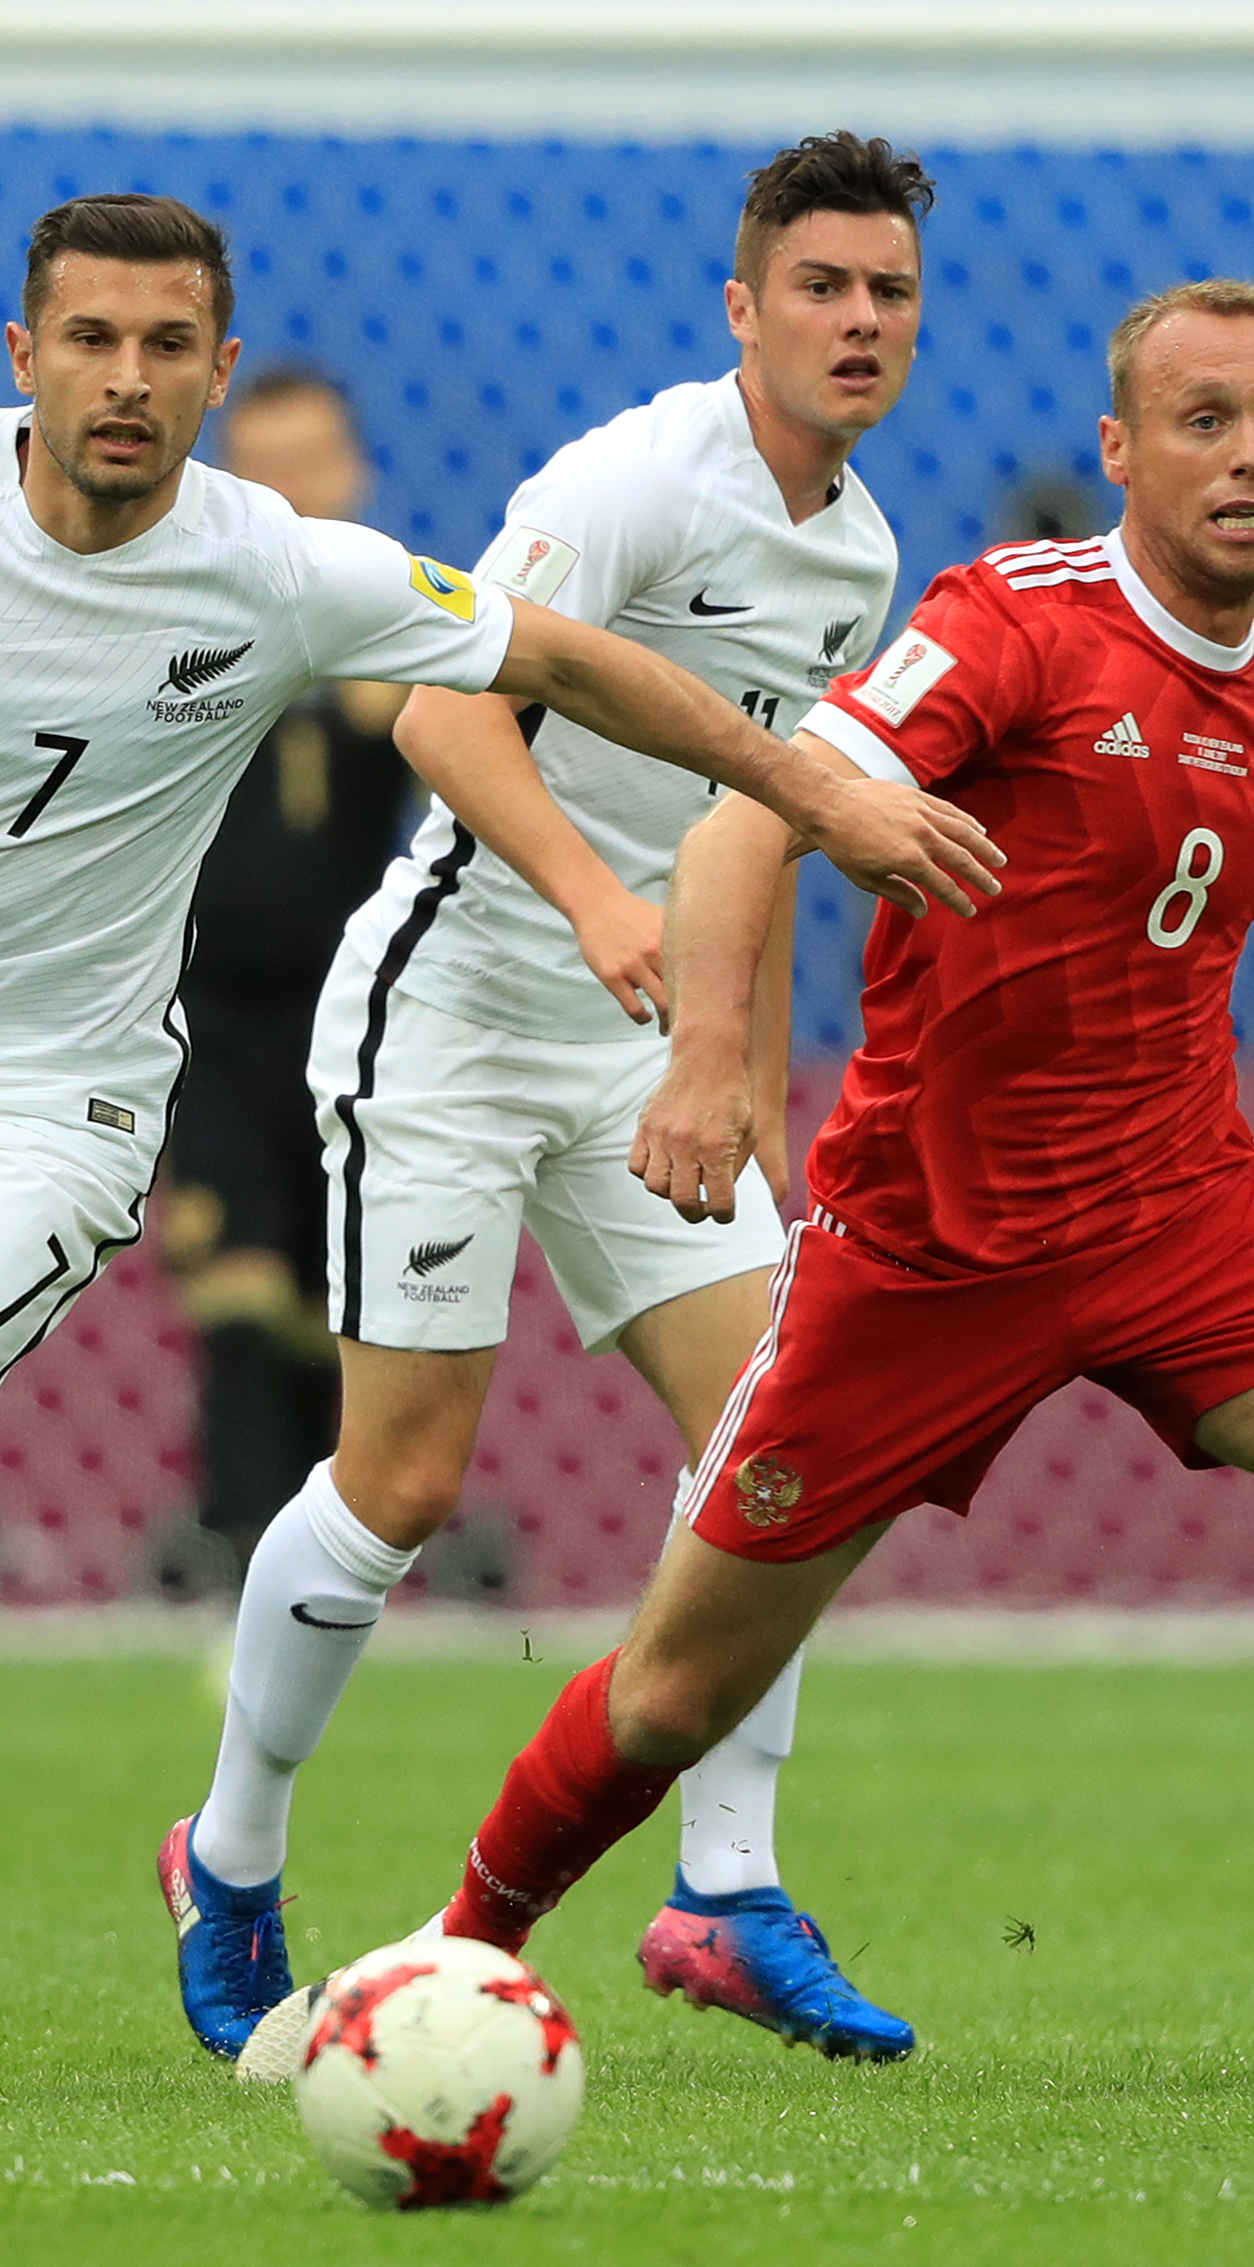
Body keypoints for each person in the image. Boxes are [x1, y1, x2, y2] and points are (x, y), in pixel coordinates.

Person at [0, 191, 1001, 2100]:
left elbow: (562, 663)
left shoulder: (275, 565)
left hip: (62, 1107)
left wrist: (798, 789)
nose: (125, 380)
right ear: (19, 354)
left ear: (213, 371)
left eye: (164, 347)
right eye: (90, 341)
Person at [344, 277, 1254, 2097]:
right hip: (928, 1252)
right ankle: (455, 1946)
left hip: (1182, 1223)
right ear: (1120, 449)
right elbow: (743, 817)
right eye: (1202, 420)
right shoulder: (1003, 626)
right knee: (670, 1693)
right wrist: (710, 1059)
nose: (1246, 455)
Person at [165, 134, 936, 2072]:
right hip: (455, 1005)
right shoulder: (630, 480)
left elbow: (763, 819)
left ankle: (729, 1887)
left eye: (889, 292)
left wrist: (741, 1064)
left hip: (647, 1035)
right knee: (403, 1487)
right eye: (821, 287)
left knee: (783, 1444)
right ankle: (231, 1854)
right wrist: (597, 899)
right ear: (741, 306)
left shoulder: (859, 556)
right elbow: (438, 709)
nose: (857, 322)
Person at [156, 369, 414, 1590]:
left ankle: (327, 1550)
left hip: (348, 1015)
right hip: (204, 1011)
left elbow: (400, 719)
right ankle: (237, 1542)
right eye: (260, 468)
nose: (287, 491)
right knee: (234, 1270)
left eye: (310, 463)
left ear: (352, 473)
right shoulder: (177, 623)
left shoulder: (389, 622)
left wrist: (333, 589)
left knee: (330, 1290)